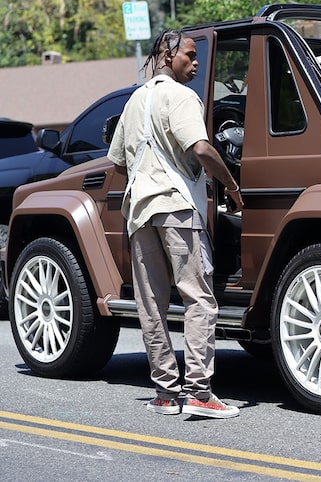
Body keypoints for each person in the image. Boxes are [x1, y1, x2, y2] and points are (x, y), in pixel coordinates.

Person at [108, 29, 243, 418]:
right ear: (167, 56)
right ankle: (200, 392)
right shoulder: (183, 97)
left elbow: (117, 161)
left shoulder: (134, 100)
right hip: (177, 207)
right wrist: (231, 187)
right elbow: (200, 147)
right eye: (189, 55)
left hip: (139, 212)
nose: (196, 62)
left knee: (151, 304)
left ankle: (166, 394)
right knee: (198, 297)